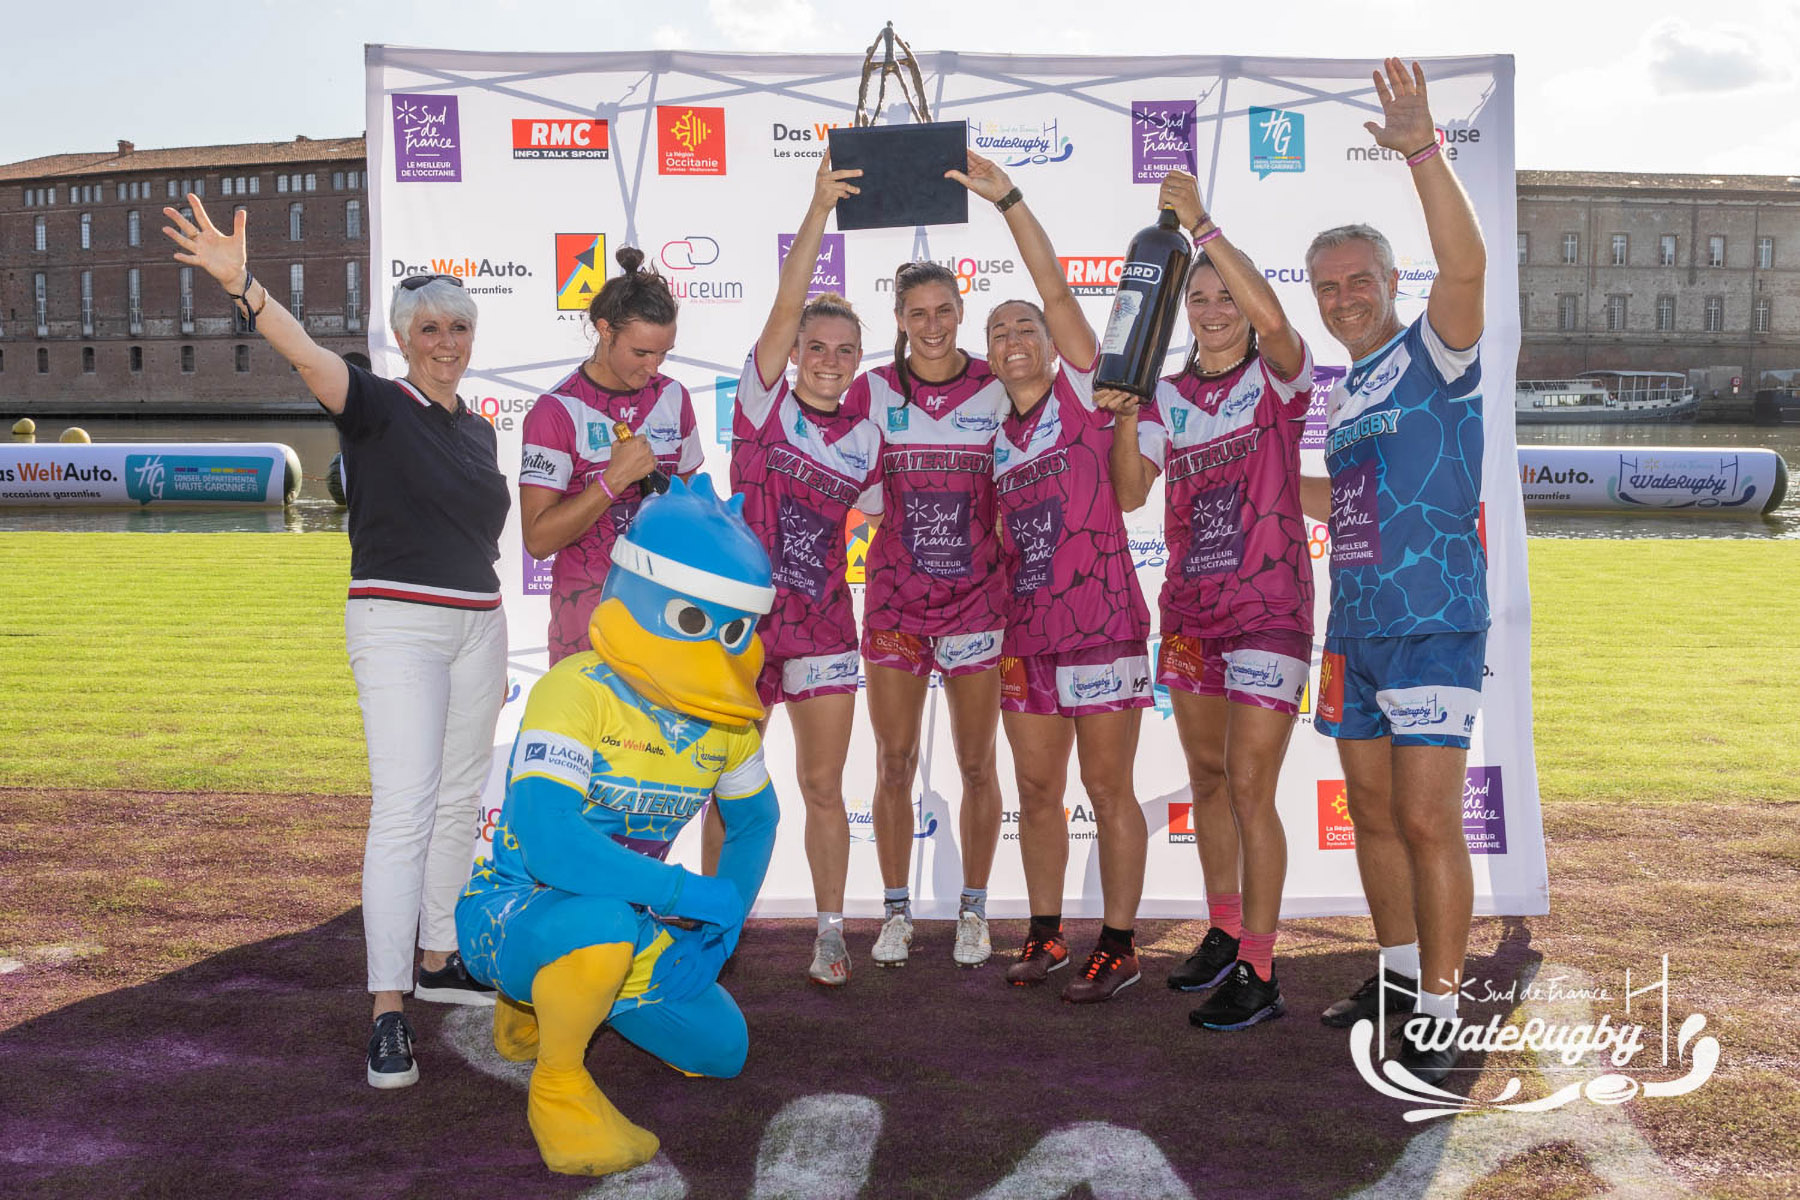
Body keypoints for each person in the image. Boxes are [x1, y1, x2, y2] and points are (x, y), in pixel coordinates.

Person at [163, 197, 510, 1089]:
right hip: (396, 621)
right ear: (404, 337)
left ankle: (438, 960)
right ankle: (388, 1008)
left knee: (456, 800)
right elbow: (307, 354)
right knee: (403, 808)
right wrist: (245, 288)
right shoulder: (377, 403)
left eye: (458, 327)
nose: (446, 340)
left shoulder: (477, 428)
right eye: (429, 327)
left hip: (481, 623)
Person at [458, 476, 780, 1177]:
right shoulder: (577, 689)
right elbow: (549, 841)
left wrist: (723, 928)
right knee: (598, 929)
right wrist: (689, 896)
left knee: (721, 1052)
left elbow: (757, 819)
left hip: (632, 916)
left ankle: (537, 1008)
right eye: (698, 622)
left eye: (734, 630)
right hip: (511, 907)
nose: (717, 647)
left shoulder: (725, 723)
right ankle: (559, 1083)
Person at [1305, 59, 1490, 1085]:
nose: (1342, 300)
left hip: (1434, 621)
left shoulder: (1437, 347)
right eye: (1327, 287)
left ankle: (1446, 1003)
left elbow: (1464, 269)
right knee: (1371, 817)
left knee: (1425, 820)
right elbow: (1357, 501)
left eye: (1359, 281)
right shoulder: (1342, 391)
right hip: (1356, 628)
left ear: (1390, 282)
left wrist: (1422, 150)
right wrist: (1262, 483)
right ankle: (1398, 973)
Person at [1109, 171, 1316, 1030]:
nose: (1215, 307)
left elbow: (1277, 324)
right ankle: (1227, 933)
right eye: (1197, 296)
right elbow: (1128, 494)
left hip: (1270, 609)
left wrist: (1205, 228)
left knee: (1251, 787)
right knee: (1208, 777)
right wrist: (1122, 410)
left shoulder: (1279, 376)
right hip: (1192, 610)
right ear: (1179, 309)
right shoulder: (1168, 393)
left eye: (1224, 292)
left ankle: (1263, 973)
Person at [949, 150, 1154, 1002]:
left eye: (1023, 326)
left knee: (1109, 790)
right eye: (996, 332)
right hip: (1027, 636)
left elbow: (1062, 293)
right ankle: (1042, 934)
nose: (1013, 338)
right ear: (989, 358)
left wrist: (1010, 201)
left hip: (1102, 622)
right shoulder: (992, 439)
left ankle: (1118, 943)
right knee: (1036, 790)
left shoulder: (1082, 393)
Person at [718, 157, 881, 985]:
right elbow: (787, 305)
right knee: (724, 785)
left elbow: (917, 512)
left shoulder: (867, 438)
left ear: (858, 359)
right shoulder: (760, 403)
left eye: (842, 350)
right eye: (814, 346)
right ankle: (710, 930)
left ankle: (828, 930)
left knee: (822, 786)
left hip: (822, 625)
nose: (825, 358)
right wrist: (818, 210)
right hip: (739, 626)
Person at [842, 255, 1006, 969]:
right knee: (893, 761)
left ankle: (974, 910)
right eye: (918, 314)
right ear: (900, 320)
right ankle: (896, 912)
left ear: (961, 311)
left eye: (943, 310)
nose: (932, 325)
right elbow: (846, 480)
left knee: (976, 763)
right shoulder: (873, 390)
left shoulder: (998, 387)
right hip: (896, 600)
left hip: (978, 600)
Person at [519, 249, 704, 664]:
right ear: (604, 330)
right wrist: (612, 480)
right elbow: (538, 539)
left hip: (665, 621)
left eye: (664, 353)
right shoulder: (557, 411)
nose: (654, 367)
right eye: (641, 353)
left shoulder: (674, 397)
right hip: (587, 627)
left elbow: (689, 508)